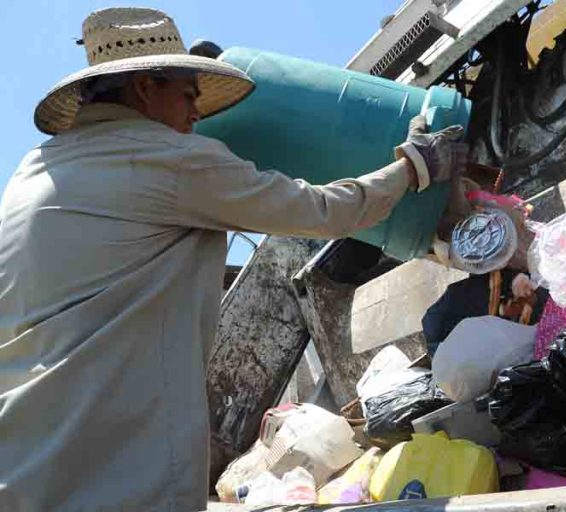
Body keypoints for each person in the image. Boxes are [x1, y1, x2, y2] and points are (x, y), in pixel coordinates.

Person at [0, 7, 467, 511]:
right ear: (143, 90)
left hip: (24, 465)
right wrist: (413, 167)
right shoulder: (164, 158)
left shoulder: (34, 170)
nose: (196, 114)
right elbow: (319, 211)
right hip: (115, 476)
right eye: (187, 95)